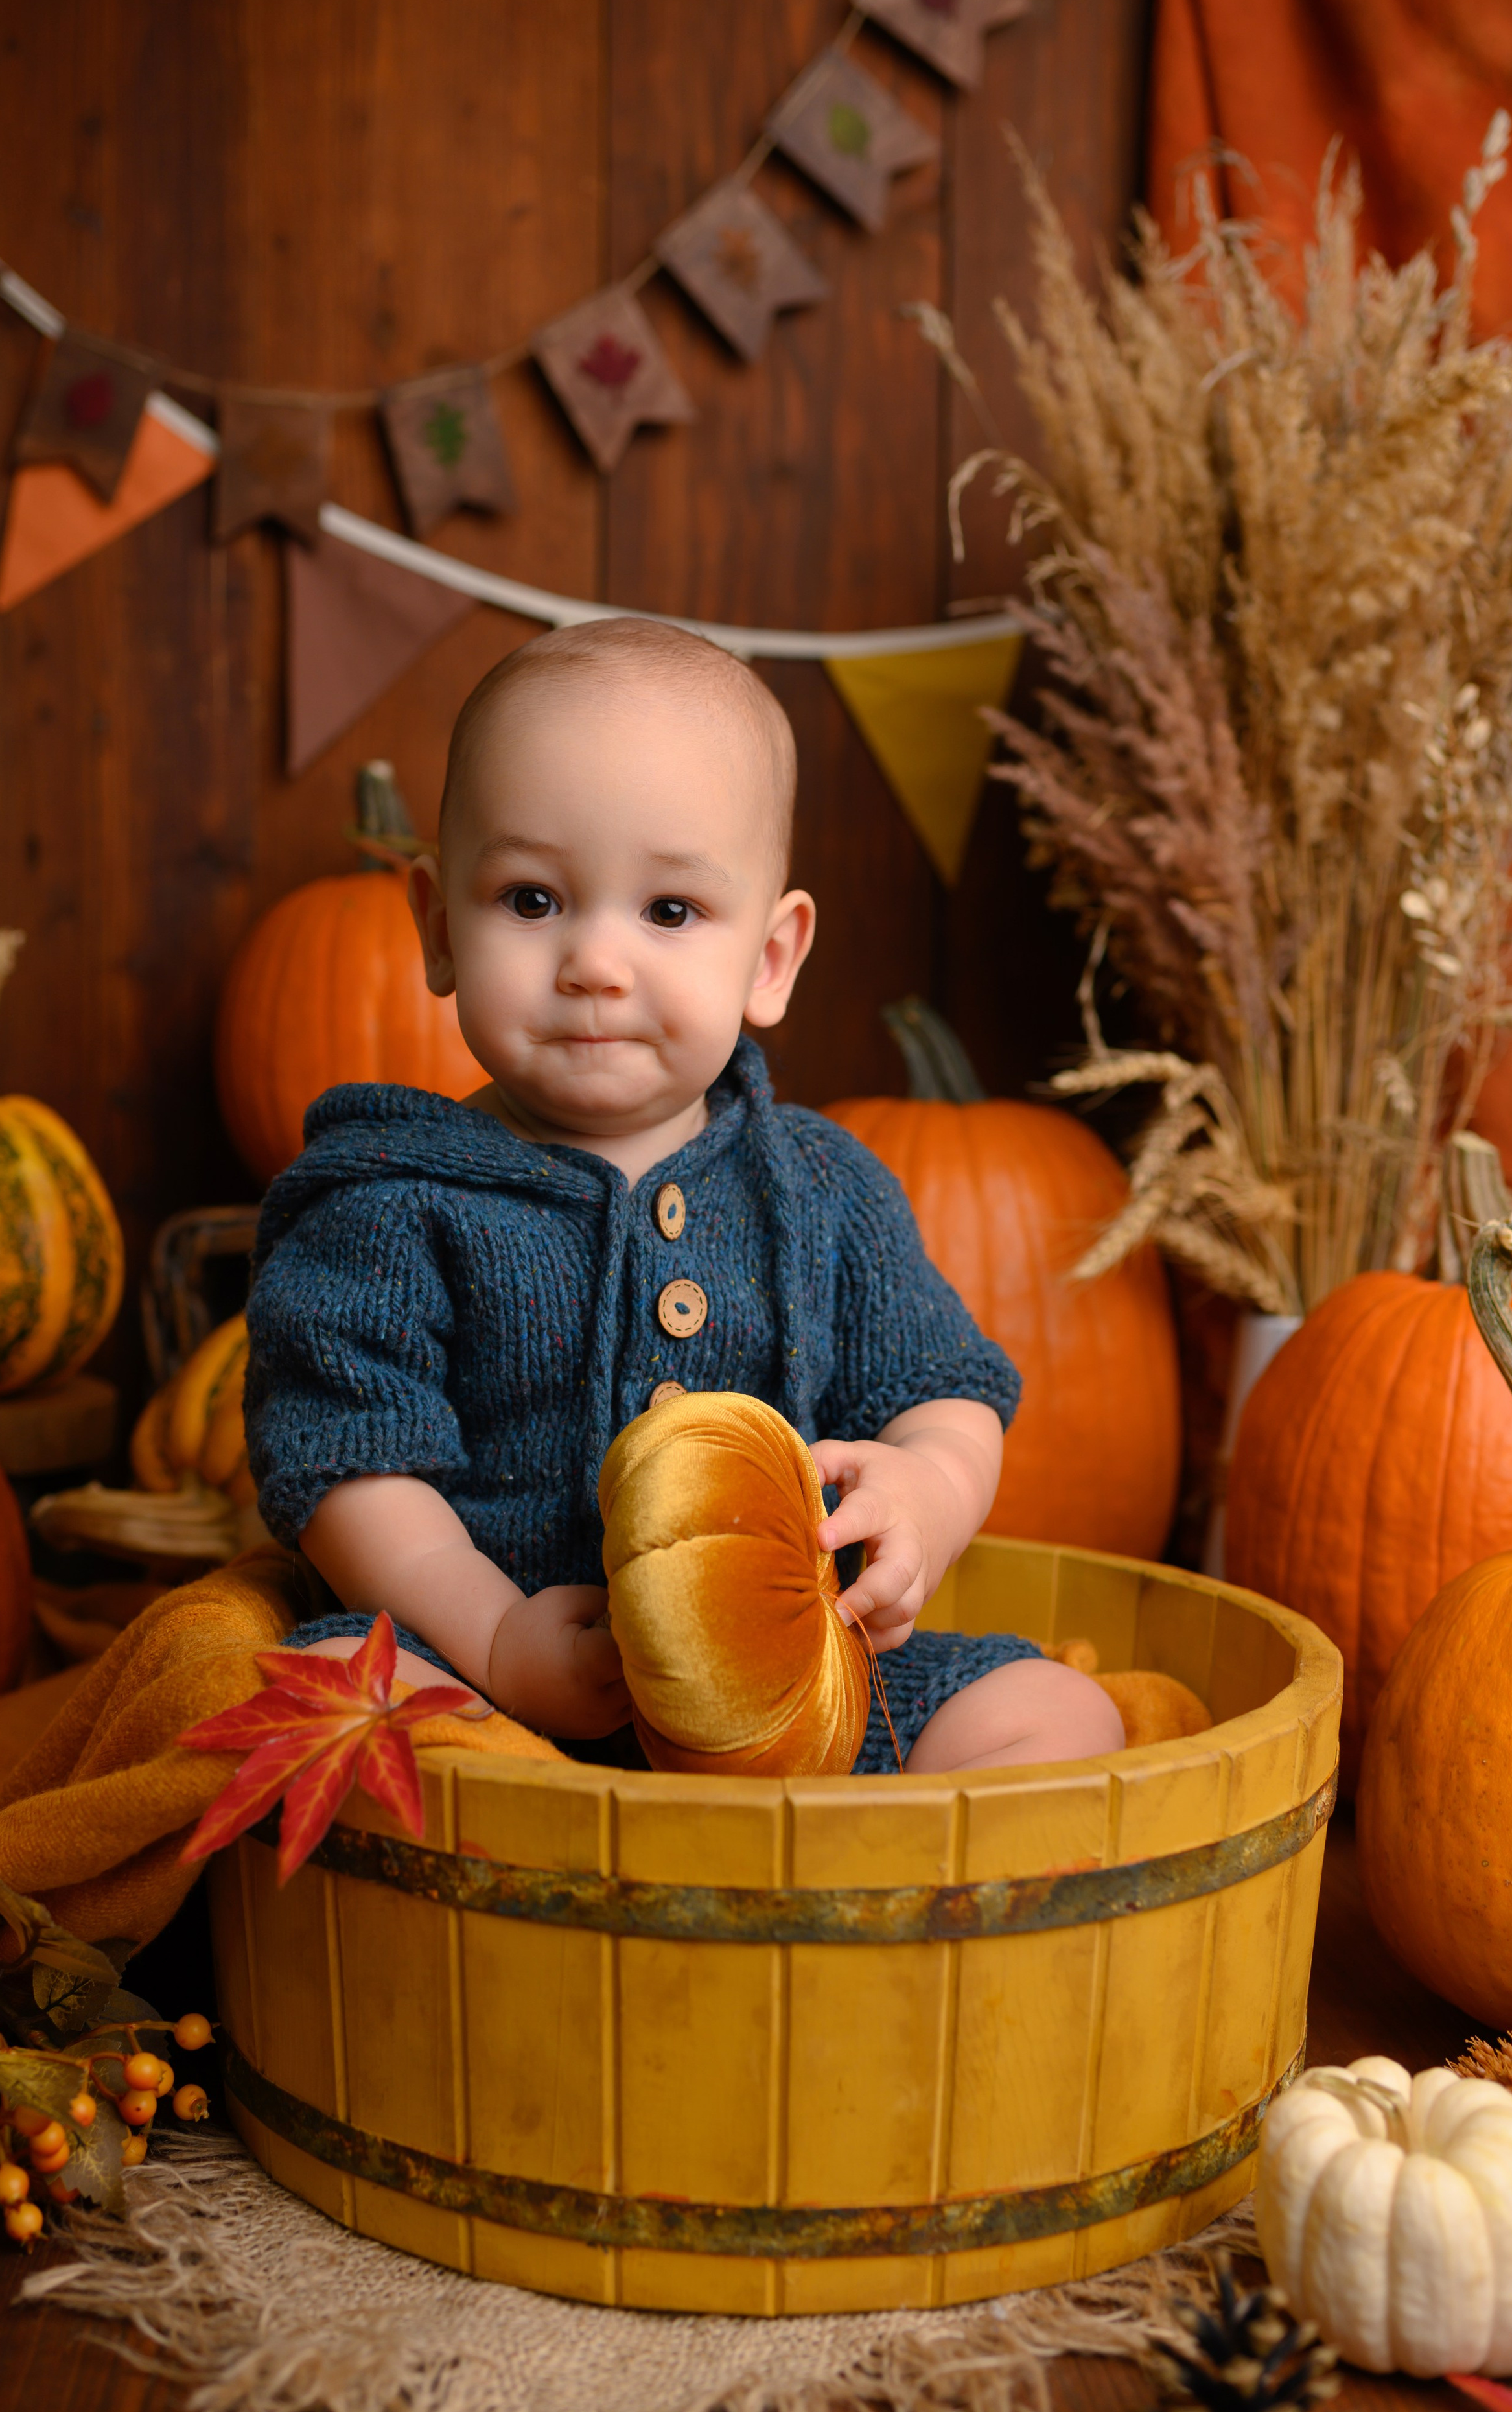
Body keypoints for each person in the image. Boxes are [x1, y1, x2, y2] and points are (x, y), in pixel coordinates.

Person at [244, 618, 1122, 1774]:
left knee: (1062, 1719)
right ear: (436, 926)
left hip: (795, 1687)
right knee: (327, 1706)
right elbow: (352, 1470)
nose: (595, 963)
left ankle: (850, 1893)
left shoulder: (821, 1190)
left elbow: (946, 1391)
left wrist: (926, 1493)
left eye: (668, 912)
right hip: (487, 1684)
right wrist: (494, 1633)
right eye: (530, 899)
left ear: (770, 957)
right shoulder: (395, 1200)